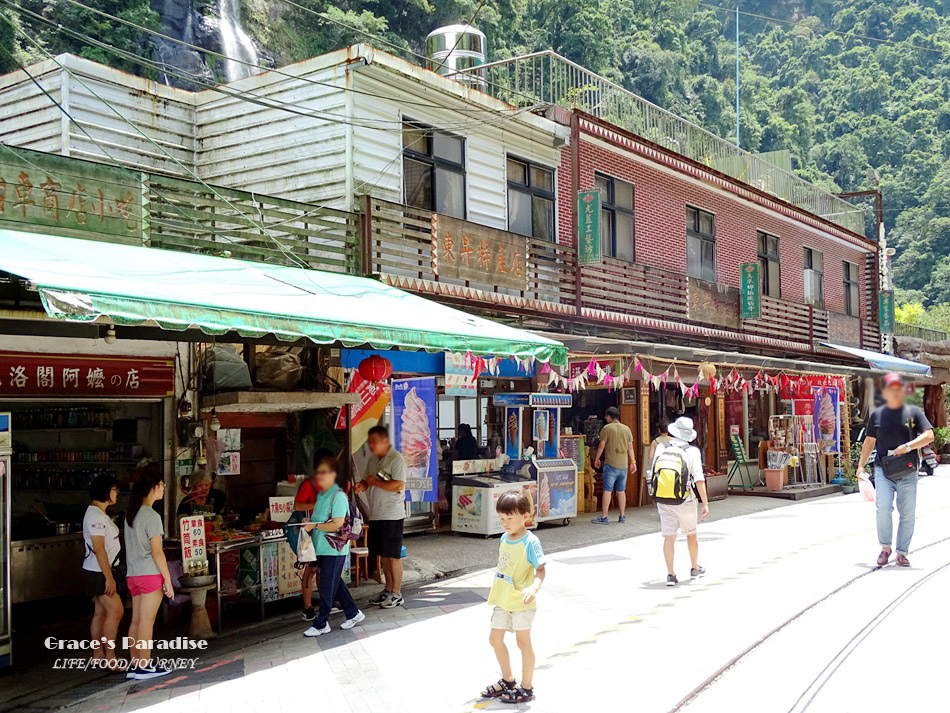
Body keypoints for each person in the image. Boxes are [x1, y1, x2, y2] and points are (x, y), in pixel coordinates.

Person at [857, 373, 933, 567]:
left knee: (907, 513)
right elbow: (869, 441)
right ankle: (885, 548)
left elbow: (929, 435)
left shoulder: (913, 412)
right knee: (883, 508)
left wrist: (908, 446)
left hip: (907, 469)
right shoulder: (877, 414)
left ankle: (902, 552)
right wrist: (860, 465)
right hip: (884, 470)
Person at [480, 490, 546, 705]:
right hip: (502, 598)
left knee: (522, 643)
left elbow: (541, 571)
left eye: (510, 518)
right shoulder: (503, 538)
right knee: (494, 639)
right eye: (502, 518)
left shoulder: (531, 542)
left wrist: (533, 589)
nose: (505, 523)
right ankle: (508, 680)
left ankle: (526, 687)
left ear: (525, 516)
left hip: (521, 602)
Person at [302, 456, 365, 636]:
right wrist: (310, 522)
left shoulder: (338, 496)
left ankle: (321, 623)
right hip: (322, 547)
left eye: (323, 472)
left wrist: (314, 525)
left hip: (334, 549)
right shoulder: (322, 495)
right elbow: (320, 520)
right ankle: (353, 613)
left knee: (326, 586)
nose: (318, 476)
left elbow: (337, 523)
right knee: (334, 583)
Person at [124, 469, 174, 680]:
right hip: (150, 574)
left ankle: (135, 665)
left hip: (133, 574)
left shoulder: (130, 515)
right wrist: (168, 580)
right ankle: (144, 666)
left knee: (135, 620)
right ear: (154, 487)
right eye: (162, 485)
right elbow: (157, 552)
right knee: (146, 621)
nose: (163, 488)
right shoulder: (152, 516)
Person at [650, 417, 709, 586]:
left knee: (669, 537)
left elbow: (654, 471)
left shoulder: (661, 447)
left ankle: (670, 574)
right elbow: (699, 479)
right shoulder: (692, 451)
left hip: (663, 498)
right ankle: (694, 567)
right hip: (685, 499)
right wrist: (705, 503)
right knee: (691, 533)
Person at [354, 425, 406, 609]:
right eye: (370, 442)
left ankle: (397, 593)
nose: (371, 445)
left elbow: (399, 485)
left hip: (392, 514)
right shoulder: (373, 460)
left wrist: (374, 482)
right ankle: (388, 589)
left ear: (385, 441)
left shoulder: (396, 459)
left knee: (393, 556)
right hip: (376, 513)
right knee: (383, 556)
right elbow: (368, 482)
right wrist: (362, 486)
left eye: (374, 442)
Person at [82, 474, 123, 669]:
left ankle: (98, 654)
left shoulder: (98, 513)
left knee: (100, 612)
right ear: (106, 491)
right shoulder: (96, 517)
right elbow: (99, 548)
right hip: (99, 571)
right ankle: (110, 657)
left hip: (97, 570)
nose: (117, 494)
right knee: (116, 610)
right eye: (115, 490)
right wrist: (109, 578)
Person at [591, 406, 637, 524]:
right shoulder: (626, 429)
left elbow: (601, 445)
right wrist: (633, 462)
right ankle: (622, 516)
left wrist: (596, 459)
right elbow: (630, 447)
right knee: (621, 491)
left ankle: (605, 516)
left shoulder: (607, 428)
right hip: (623, 465)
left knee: (607, 490)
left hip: (611, 464)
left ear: (610, 416)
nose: (606, 418)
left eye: (606, 416)